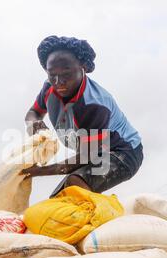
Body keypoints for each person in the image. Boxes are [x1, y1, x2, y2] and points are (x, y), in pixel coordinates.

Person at [21, 35, 143, 198]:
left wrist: (39, 171)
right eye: (52, 75)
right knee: (56, 199)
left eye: (66, 74)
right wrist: (34, 124)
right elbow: (33, 113)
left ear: (83, 67)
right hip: (92, 152)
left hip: (124, 153)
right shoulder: (49, 88)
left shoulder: (96, 105)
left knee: (74, 185)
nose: (59, 82)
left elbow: (85, 157)